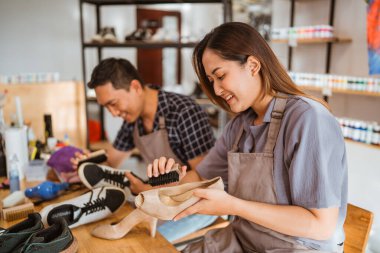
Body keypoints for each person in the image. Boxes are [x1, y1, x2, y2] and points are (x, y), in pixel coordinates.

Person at [147, 22, 348, 252]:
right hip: (245, 240)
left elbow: (320, 225)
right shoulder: (239, 127)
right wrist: (173, 183)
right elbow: (200, 177)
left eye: (220, 75)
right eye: (211, 81)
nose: (217, 90)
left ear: (253, 65)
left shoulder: (308, 119)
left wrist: (233, 205)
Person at [72, 57, 217, 242]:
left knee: (141, 243)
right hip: (161, 197)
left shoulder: (184, 112)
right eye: (106, 107)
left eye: (113, 103)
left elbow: (205, 177)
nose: (114, 113)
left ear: (135, 87)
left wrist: (149, 189)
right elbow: (110, 162)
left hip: (200, 203)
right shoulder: (133, 120)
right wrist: (85, 163)